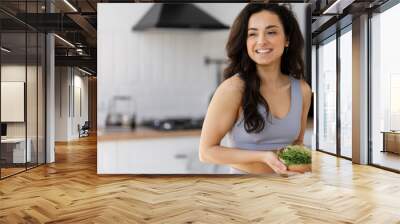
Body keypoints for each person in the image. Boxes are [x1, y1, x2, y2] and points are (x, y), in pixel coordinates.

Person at [199, 3, 312, 175]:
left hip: (289, 193)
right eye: (252, 34)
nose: (261, 41)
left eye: (271, 32)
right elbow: (206, 152)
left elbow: (297, 142)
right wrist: (263, 157)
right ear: (245, 42)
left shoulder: (302, 90)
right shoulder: (233, 89)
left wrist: (303, 168)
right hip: (244, 193)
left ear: (287, 39)